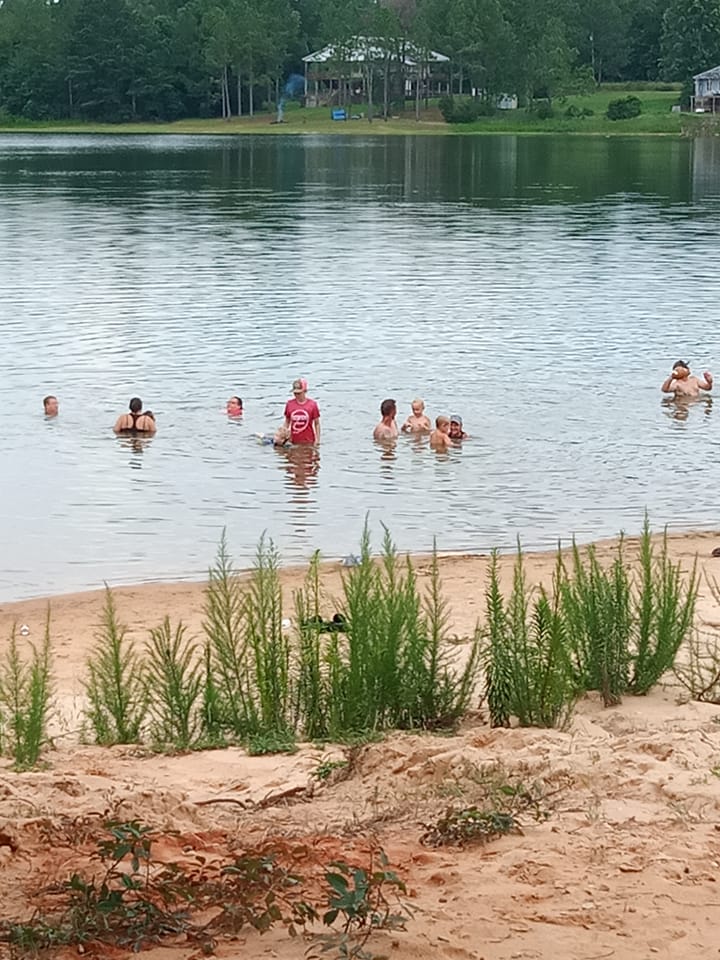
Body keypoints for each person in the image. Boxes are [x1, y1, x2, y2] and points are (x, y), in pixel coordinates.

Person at [284, 378, 320, 445]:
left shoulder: (312, 405)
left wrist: (317, 440)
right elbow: (287, 422)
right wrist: (283, 435)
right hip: (293, 440)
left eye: (299, 393)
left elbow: (317, 424)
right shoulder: (289, 404)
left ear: (305, 391)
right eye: (295, 393)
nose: (297, 395)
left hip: (309, 440)